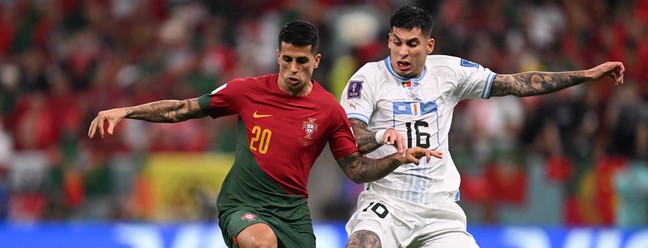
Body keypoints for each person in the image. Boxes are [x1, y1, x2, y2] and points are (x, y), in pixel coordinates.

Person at [88, 20, 439, 248]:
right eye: (287, 59)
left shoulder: (329, 109)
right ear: (277, 55)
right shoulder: (246, 91)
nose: (293, 69)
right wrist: (127, 111)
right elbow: (183, 108)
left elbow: (355, 169)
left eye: (302, 61)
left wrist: (395, 159)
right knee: (262, 243)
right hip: (242, 205)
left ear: (316, 61)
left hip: (293, 214)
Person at [340, 6, 625, 248]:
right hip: (388, 203)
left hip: (438, 209)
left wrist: (586, 75)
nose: (402, 52)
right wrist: (381, 135)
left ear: (429, 46)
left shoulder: (449, 72)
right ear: (389, 40)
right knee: (363, 242)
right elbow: (350, 136)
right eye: (396, 42)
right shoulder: (367, 78)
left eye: (412, 44)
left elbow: (515, 84)